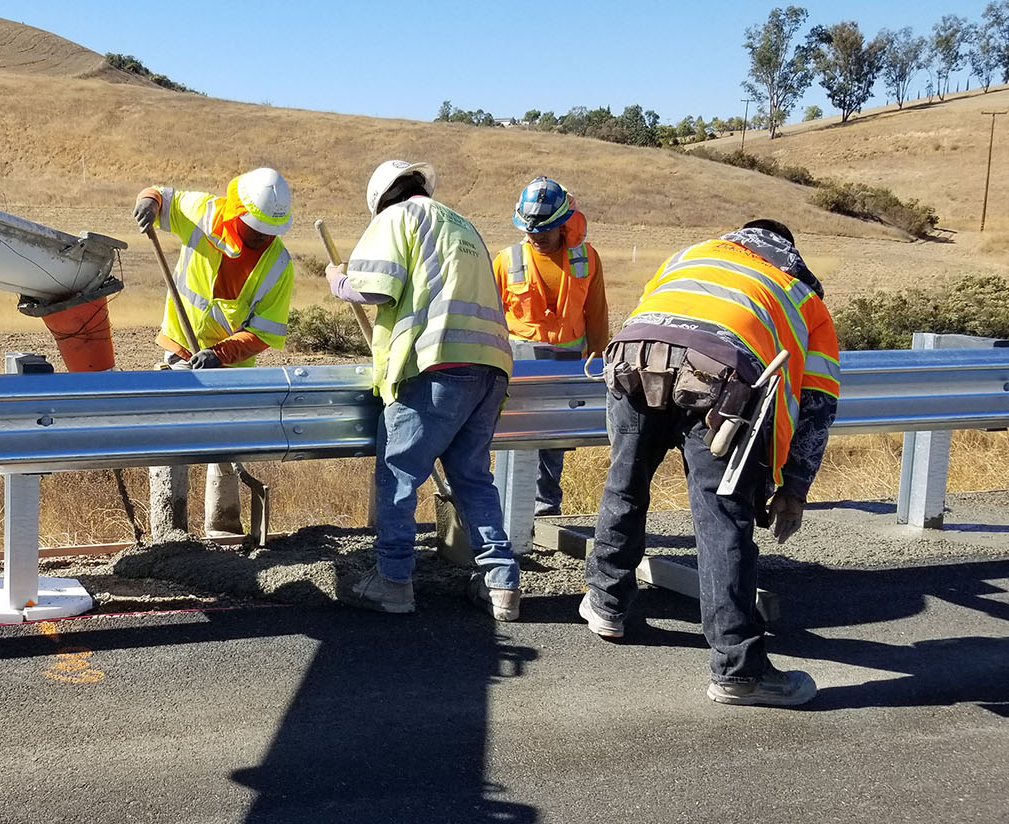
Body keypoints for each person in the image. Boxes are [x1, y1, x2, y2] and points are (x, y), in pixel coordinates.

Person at [583, 219, 840, 707]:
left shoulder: (689, 256)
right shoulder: (800, 294)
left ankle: (607, 605)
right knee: (721, 514)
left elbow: (653, 317)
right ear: (787, 251)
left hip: (635, 355)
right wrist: (794, 485)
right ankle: (739, 672)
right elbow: (817, 402)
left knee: (626, 482)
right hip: (722, 378)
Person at [326, 159, 521, 620]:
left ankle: (393, 583)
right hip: (491, 368)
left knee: (398, 475)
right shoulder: (461, 223)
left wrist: (338, 280)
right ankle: (502, 586)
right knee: (472, 478)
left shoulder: (396, 218)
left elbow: (376, 289)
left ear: (380, 200)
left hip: (436, 366)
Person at [131, 169, 294, 536]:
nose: (261, 236)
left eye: (270, 230)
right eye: (256, 227)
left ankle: (224, 530)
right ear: (237, 213)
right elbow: (161, 195)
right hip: (179, 351)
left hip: (231, 370)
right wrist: (147, 202)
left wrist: (220, 354)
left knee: (225, 448)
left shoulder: (278, 265)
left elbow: (264, 332)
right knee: (170, 439)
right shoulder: (205, 213)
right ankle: (169, 533)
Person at [492, 177, 609, 516]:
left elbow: (597, 316)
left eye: (544, 229)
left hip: (567, 365)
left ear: (562, 224)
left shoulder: (586, 259)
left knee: (553, 441)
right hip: (518, 368)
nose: (536, 237)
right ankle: (506, 510)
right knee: (513, 439)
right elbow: (491, 319)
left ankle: (545, 509)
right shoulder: (506, 260)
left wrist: (597, 364)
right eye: (530, 231)